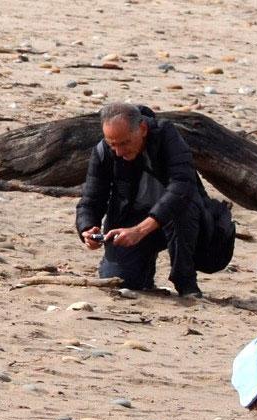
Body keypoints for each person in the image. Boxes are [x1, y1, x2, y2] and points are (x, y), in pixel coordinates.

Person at [76, 102, 224, 298]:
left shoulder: (167, 137)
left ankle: (185, 282)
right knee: (120, 281)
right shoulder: (104, 151)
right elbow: (91, 199)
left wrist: (141, 230)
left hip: (180, 220)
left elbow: (182, 186)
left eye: (125, 143)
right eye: (112, 144)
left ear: (143, 129)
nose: (118, 151)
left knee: (181, 206)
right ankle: (144, 273)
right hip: (130, 219)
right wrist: (87, 228)